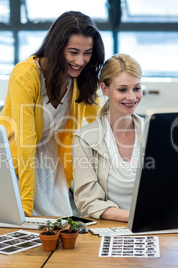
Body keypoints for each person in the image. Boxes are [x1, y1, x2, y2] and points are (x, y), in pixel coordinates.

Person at [0, 11, 105, 217]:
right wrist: (25, 205)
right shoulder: (25, 74)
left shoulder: (83, 77)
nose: (80, 61)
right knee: (24, 234)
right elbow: (26, 140)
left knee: (59, 230)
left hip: (51, 166)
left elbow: (99, 125)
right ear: (56, 48)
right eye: (72, 52)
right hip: (18, 165)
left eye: (87, 53)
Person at [72, 54, 144, 222]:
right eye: (122, 89)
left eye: (137, 88)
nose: (132, 97)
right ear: (104, 89)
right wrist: (137, 217)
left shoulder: (153, 131)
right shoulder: (85, 139)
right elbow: (88, 202)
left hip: (155, 227)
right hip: (108, 230)